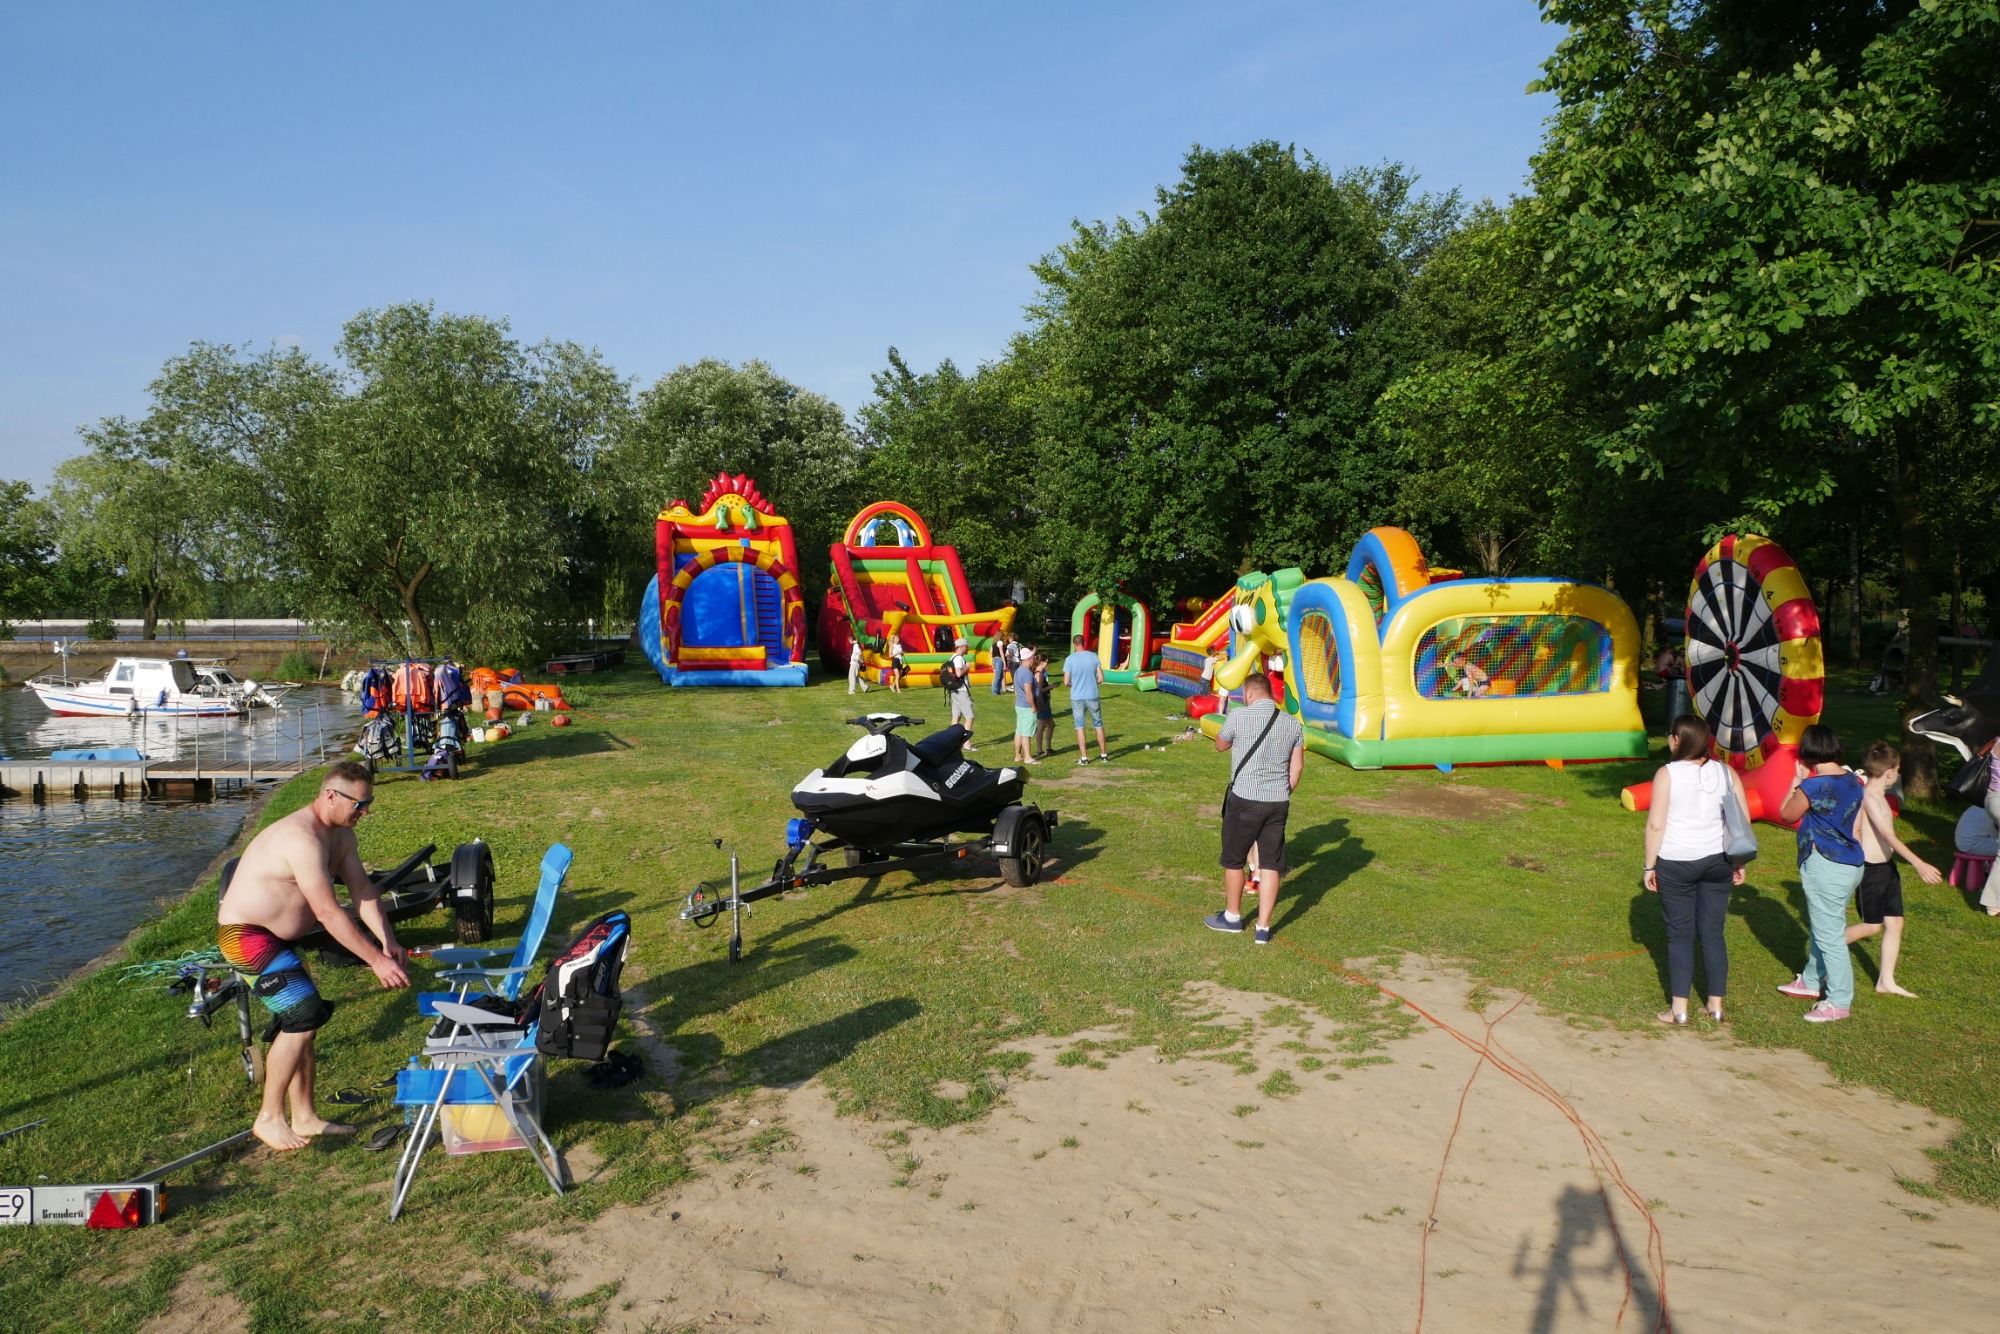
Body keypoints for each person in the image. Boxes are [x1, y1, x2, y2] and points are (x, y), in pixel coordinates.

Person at [219, 760, 410, 1150]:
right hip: (247, 936)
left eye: (369, 802)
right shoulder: (301, 838)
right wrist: (375, 960)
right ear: (331, 796)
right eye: (359, 804)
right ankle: (269, 1118)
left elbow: (363, 892)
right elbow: (327, 911)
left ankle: (304, 1117)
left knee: (305, 1017)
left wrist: (386, 939)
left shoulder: (340, 835)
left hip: (276, 940)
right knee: (303, 1016)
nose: (365, 811)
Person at [1642, 714, 1747, 1025]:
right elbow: (1740, 820)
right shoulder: (1727, 772)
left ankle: (1679, 1009)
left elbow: (1656, 824)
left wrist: (1649, 865)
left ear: (1677, 740)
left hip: (1676, 861)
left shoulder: (1668, 773)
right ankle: (1715, 1006)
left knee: (1679, 936)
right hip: (1718, 861)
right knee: (1713, 934)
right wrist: (1738, 862)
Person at [1203, 674, 1304, 945]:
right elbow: (1297, 767)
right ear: (1270, 693)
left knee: (1234, 860)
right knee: (1271, 864)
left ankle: (1233, 917)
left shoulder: (1237, 717)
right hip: (1278, 801)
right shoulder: (1293, 724)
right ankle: (1263, 927)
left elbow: (1220, 745)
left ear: (1248, 694)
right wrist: (1284, 790)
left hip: (1245, 797)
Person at [1776, 724, 1866, 1022]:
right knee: (1824, 925)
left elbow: (1787, 813)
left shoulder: (1812, 786)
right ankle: (1811, 981)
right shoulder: (1853, 780)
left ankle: (1839, 1001)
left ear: (1807, 751)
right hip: (1851, 863)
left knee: (1830, 937)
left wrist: (1796, 781)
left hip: (1824, 864)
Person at [1847, 742, 1942, 997]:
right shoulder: (1868, 798)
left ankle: (1885, 982)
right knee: (1871, 926)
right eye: (1898, 770)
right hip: (1870, 871)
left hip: (1886, 869)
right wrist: (1919, 863)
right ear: (1889, 772)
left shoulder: (1880, 798)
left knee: (1896, 922)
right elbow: (1888, 837)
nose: (1898, 774)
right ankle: (1824, 948)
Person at [1062, 634, 1110, 765]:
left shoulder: (1070, 659)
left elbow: (1066, 681)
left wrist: (1074, 684)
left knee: (1079, 726)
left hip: (1077, 697)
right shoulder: (1093, 656)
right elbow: (1101, 678)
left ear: (1074, 644)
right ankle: (1104, 755)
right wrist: (1093, 681)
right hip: (1092, 694)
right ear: (1084, 643)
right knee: (1098, 724)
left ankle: (1084, 757)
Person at [1955, 805, 2000, 915]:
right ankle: (1994, 903)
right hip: (1973, 844)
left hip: (1965, 842)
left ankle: (1987, 872)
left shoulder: (1987, 799)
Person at [944, 636, 977, 750]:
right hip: (961, 691)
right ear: (962, 647)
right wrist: (967, 667)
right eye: (966, 647)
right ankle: (966, 743)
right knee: (970, 716)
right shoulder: (958, 659)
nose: (967, 649)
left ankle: (951, 740)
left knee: (956, 716)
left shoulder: (952, 657)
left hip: (954, 691)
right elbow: (958, 674)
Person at [1011, 647, 1041, 764]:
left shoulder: (1018, 671)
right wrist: (1033, 706)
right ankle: (1028, 757)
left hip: (1019, 704)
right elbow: (1028, 692)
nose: (1034, 660)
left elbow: (1016, 690)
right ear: (1028, 659)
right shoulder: (1027, 673)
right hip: (1027, 706)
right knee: (1026, 733)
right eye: (1033, 658)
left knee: (1019, 731)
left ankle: (1018, 755)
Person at [1031, 648, 1057, 758]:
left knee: (1051, 724)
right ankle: (1040, 750)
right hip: (1042, 703)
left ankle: (1048, 748)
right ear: (1042, 662)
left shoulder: (1039, 673)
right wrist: (1050, 687)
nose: (1048, 664)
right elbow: (1039, 690)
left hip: (1044, 703)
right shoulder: (1039, 674)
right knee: (1042, 725)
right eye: (1047, 662)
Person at [990, 632, 1010, 697]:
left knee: (998, 676)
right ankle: (994, 691)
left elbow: (991, 652)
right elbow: (1001, 653)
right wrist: (1004, 662)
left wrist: (992, 660)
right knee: (998, 676)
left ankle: (997, 690)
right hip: (999, 659)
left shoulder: (993, 644)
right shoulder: (1000, 643)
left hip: (994, 659)